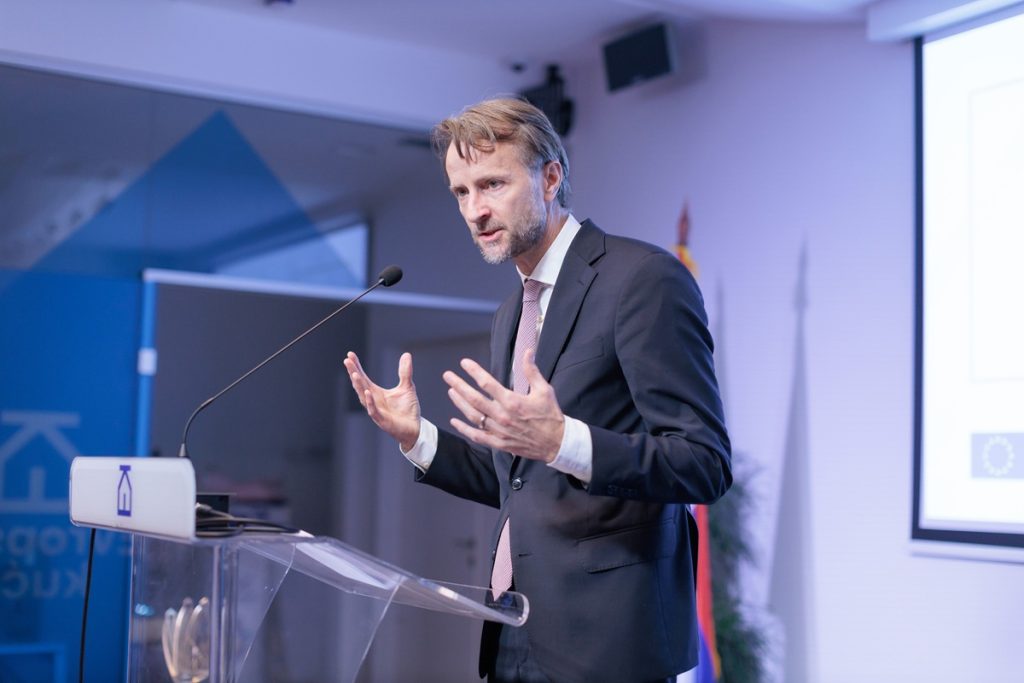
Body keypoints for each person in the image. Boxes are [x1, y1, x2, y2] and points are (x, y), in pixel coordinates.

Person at [344, 97, 731, 683]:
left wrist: (563, 442)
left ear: (550, 178)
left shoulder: (642, 279)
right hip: (515, 626)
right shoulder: (512, 313)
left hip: (609, 644)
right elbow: (520, 482)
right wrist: (417, 437)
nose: (475, 210)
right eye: (461, 192)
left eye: (493, 184)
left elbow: (703, 462)